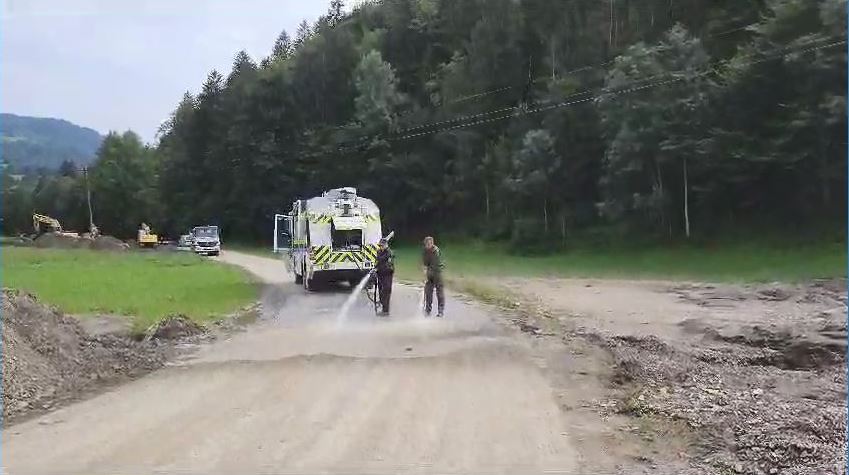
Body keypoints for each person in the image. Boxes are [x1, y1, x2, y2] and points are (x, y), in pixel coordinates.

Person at [422, 236, 445, 317]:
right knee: (428, 292)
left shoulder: (436, 251)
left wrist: (427, 273)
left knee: (439, 292)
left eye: (429, 244)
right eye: (426, 244)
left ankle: (440, 310)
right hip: (430, 273)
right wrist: (424, 269)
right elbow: (425, 262)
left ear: (432, 244)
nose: (427, 246)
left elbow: (434, 265)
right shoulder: (425, 251)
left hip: (437, 273)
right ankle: (428, 309)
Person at [374, 237, 394, 316]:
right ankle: (383, 306)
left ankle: (386, 311)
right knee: (381, 292)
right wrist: (375, 268)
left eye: (382, 246)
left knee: (386, 292)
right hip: (380, 274)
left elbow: (384, 261)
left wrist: (379, 263)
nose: (380, 247)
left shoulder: (389, 253)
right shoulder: (379, 251)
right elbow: (378, 261)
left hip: (387, 274)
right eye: (380, 246)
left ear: (386, 245)